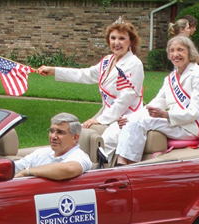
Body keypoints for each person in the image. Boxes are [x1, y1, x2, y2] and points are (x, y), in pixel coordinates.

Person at [37, 16, 144, 163]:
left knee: (105, 140)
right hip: (109, 113)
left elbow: (126, 98)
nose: (116, 42)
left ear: (130, 41)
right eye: (113, 38)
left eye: (121, 38)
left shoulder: (134, 64)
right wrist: (54, 70)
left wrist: (99, 120)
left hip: (128, 116)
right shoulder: (108, 60)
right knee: (77, 135)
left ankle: (98, 172)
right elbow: (85, 74)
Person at [115, 36, 199, 165]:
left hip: (190, 126)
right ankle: (123, 162)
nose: (175, 54)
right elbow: (158, 101)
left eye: (180, 50)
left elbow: (196, 111)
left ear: (190, 52)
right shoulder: (171, 78)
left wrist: (166, 115)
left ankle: (125, 164)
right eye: (172, 50)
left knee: (142, 122)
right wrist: (129, 118)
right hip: (172, 123)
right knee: (133, 120)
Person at [14, 112, 92, 180]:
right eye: (52, 131)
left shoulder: (81, 157)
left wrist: (27, 172)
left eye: (60, 132)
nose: (53, 136)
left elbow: (68, 170)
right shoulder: (40, 153)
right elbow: (14, 168)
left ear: (75, 137)